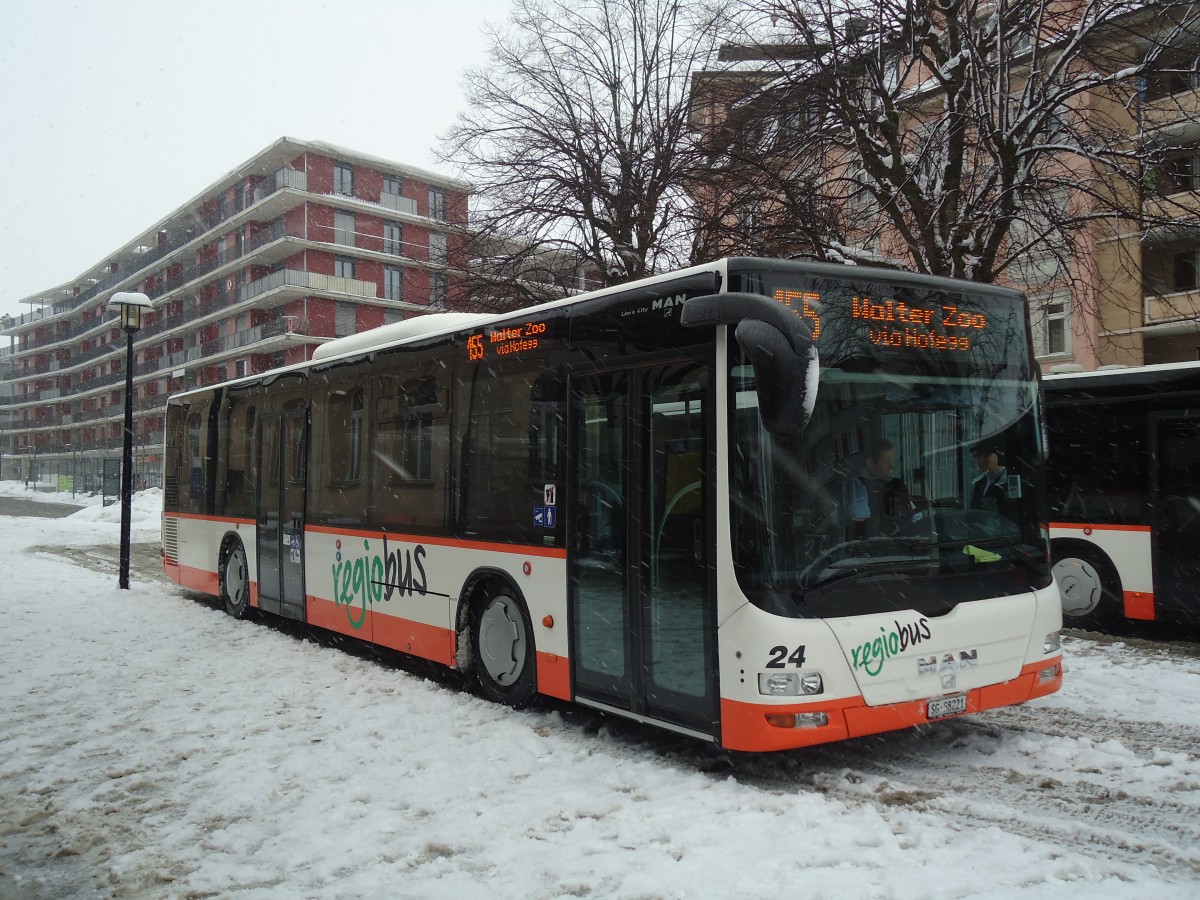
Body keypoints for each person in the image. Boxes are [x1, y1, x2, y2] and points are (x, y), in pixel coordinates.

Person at [970, 441, 1010, 514]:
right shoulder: (977, 483)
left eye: (986, 455)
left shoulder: (1011, 482)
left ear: (1000, 455)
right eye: (978, 455)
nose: (980, 460)